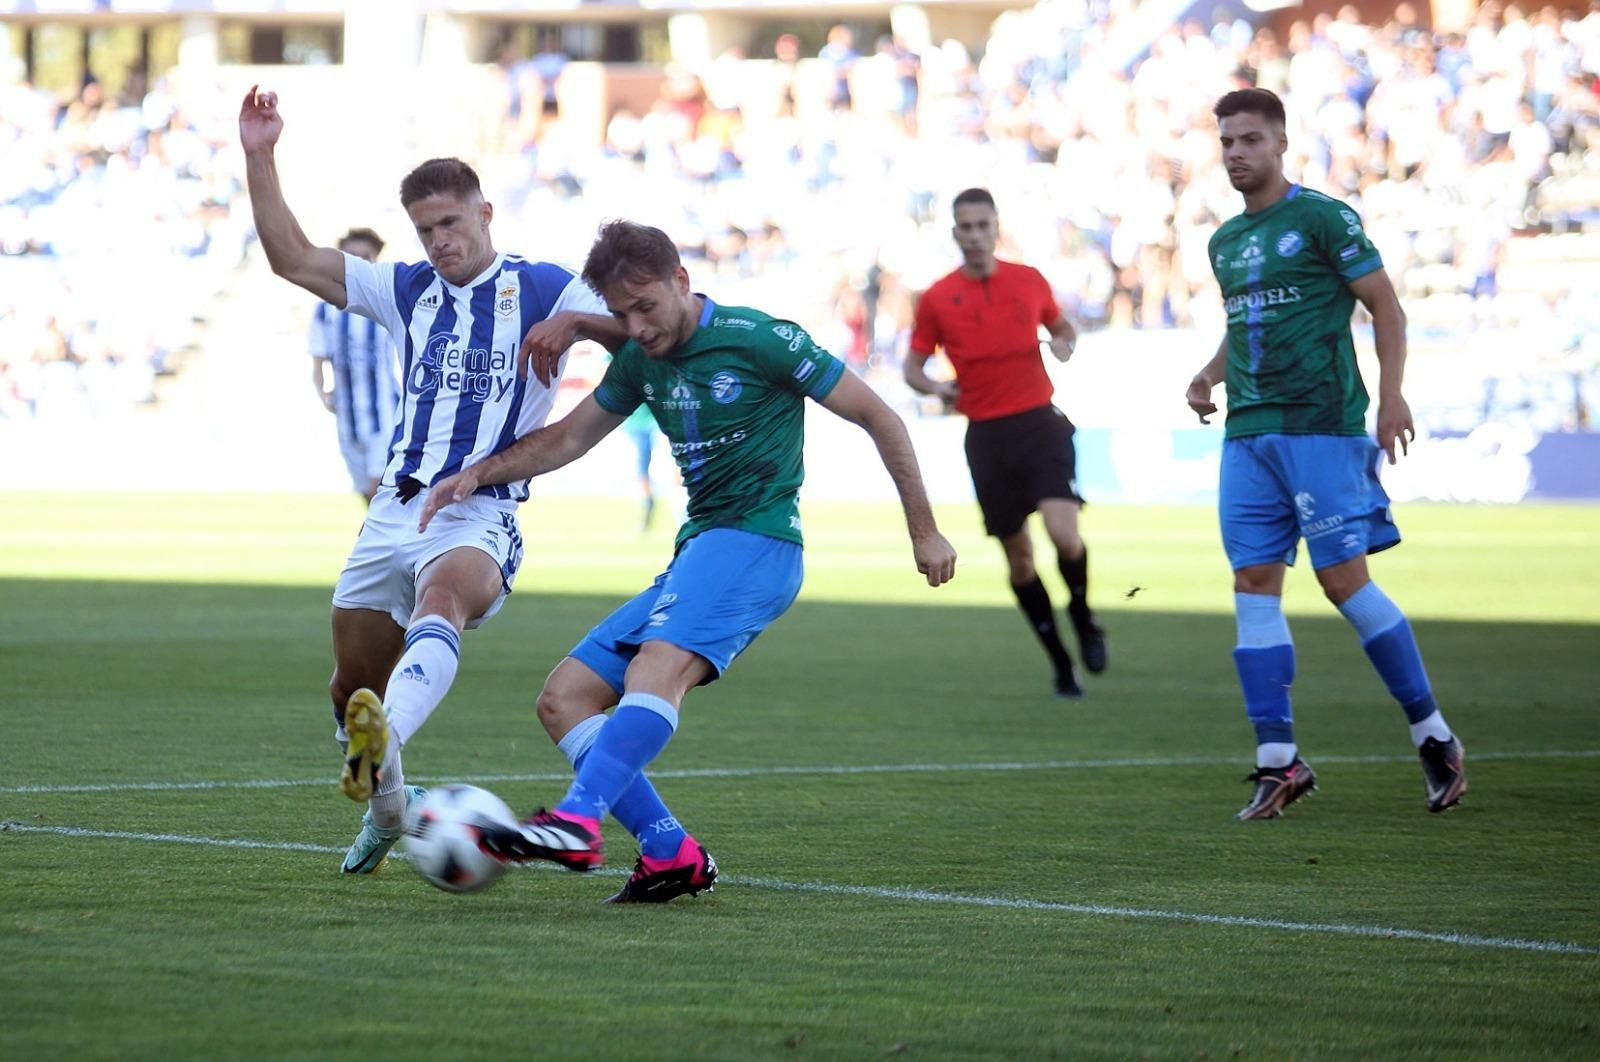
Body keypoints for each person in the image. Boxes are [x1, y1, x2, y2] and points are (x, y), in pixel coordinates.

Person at [417, 220, 957, 902]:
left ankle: (579, 821)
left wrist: (925, 531)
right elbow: (569, 438)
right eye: (620, 313)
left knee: (653, 668)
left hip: (757, 540)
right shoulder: (643, 361)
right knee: (566, 697)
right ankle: (670, 852)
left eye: (645, 306)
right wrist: (478, 474)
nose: (636, 326)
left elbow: (882, 417)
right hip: (699, 549)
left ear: (681, 279)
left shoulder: (762, 339)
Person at [238, 86, 625, 874]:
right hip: (393, 509)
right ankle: (388, 810)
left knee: (442, 600)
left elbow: (641, 325)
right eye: (426, 229)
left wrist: (582, 324)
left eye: (451, 222)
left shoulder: (547, 286)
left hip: (482, 509)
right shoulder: (406, 288)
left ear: (486, 213)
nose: (440, 240)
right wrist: (259, 153)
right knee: (349, 684)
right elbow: (291, 258)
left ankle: (387, 745)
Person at [1185, 87, 1466, 821]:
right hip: (1247, 433)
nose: (1237, 153)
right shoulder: (1225, 241)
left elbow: (1386, 306)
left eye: (1250, 140)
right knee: (1252, 584)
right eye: (1227, 142)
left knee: (1343, 583)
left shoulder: (1322, 217)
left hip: (1321, 423)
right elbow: (1244, 320)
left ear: (1281, 143)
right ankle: (1278, 761)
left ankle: (1433, 735)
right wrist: (1209, 374)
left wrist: (1392, 395)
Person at [903, 187, 1106, 699]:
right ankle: (1061, 662)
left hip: (1040, 424)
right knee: (1019, 560)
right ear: (955, 233)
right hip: (987, 437)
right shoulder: (936, 297)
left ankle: (1083, 616)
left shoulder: (1028, 281)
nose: (973, 235)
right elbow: (913, 367)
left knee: (1066, 535)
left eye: (981, 225)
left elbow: (1063, 328)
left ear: (996, 227)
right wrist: (935, 386)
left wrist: (1063, 343)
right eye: (964, 227)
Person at [307, 227, 400, 504]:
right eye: (351, 256)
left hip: (384, 411)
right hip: (347, 416)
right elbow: (318, 356)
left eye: (364, 256)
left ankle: (386, 545)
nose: (358, 262)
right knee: (366, 494)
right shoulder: (326, 308)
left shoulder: (387, 301)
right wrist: (323, 391)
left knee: (378, 489)